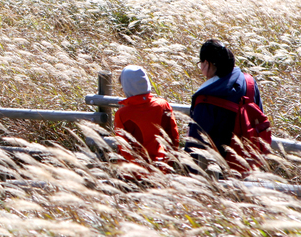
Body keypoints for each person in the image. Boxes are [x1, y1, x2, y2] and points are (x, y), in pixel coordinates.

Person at [185, 40, 268, 169]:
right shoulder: (249, 83)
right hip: (249, 163)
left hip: (218, 170)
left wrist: (187, 169)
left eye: (200, 63)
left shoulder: (206, 98)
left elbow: (195, 142)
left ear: (207, 63)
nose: (200, 68)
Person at [114, 65, 179, 164]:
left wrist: (140, 170)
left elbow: (124, 149)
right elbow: (173, 138)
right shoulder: (163, 105)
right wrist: (166, 165)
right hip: (161, 168)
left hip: (132, 173)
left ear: (126, 87)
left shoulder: (122, 114)